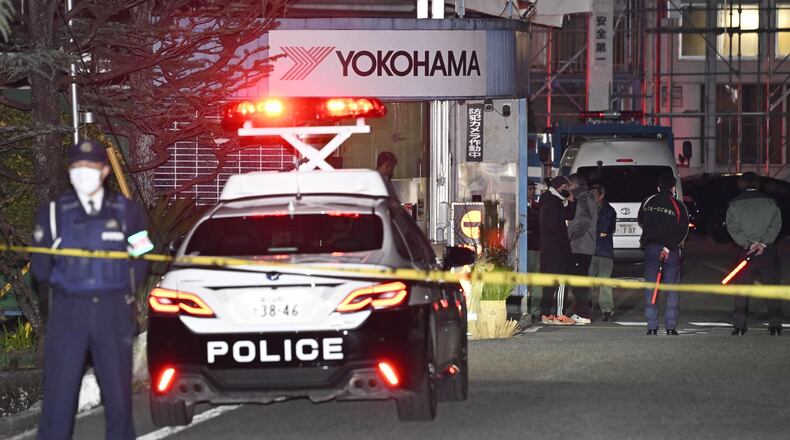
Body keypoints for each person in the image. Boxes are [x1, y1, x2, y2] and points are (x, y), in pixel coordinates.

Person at [31, 140, 151, 440]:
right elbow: (40, 267)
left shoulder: (128, 212)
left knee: (119, 397)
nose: (83, 173)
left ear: (105, 170)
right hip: (69, 312)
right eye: (77, 167)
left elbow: (143, 256)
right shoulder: (54, 213)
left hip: (113, 311)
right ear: (70, 171)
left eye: (90, 166)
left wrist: (125, 292)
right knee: (59, 395)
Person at [725, 172, 783, 336]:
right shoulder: (770, 202)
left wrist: (748, 243)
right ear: (757, 184)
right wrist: (763, 242)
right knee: (771, 289)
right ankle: (775, 326)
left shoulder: (734, 204)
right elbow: (777, 224)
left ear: (741, 184)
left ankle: (740, 326)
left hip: (745, 252)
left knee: (742, 291)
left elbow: (732, 227)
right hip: (767, 252)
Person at [637, 173, 688, 336]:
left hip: (651, 249)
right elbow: (683, 231)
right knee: (671, 288)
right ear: (673, 188)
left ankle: (651, 326)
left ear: (658, 188)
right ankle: (671, 326)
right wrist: (668, 247)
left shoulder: (648, 201)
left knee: (651, 287)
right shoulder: (679, 206)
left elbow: (641, 220)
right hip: (671, 251)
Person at [538, 176, 577, 325]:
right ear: (561, 188)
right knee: (562, 282)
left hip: (547, 249)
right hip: (558, 249)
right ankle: (560, 314)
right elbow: (568, 216)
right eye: (566, 188)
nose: (567, 191)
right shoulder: (554, 202)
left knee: (548, 283)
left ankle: (546, 314)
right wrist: (571, 200)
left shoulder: (546, 199)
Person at [566, 173, 597, 324]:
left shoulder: (583, 199)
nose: (568, 188)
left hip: (580, 246)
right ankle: (582, 312)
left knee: (579, 281)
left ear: (575, 185)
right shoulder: (587, 197)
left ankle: (583, 314)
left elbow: (584, 220)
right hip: (584, 246)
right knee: (580, 280)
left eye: (569, 185)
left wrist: (572, 235)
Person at [589, 184, 617, 321]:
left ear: (601, 195)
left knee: (605, 281)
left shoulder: (609, 211)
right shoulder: (587, 208)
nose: (592, 196)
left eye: (594, 194)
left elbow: (605, 230)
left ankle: (606, 310)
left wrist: (592, 233)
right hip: (588, 250)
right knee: (587, 281)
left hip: (604, 251)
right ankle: (586, 307)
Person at [522, 180, 542, 324]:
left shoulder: (538, 206)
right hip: (524, 248)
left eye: (533, 189)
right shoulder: (519, 206)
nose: (532, 191)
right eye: (529, 188)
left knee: (536, 281)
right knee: (525, 280)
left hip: (536, 247)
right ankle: (525, 309)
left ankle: (535, 311)